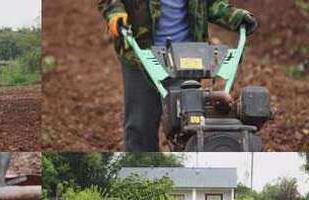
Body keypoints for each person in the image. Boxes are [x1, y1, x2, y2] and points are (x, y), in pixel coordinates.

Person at [97, 0, 258, 152]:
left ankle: (189, 171)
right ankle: (140, 175)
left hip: (187, 57)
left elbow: (211, 4)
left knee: (190, 122)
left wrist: (236, 16)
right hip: (141, 55)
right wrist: (115, 11)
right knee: (140, 126)